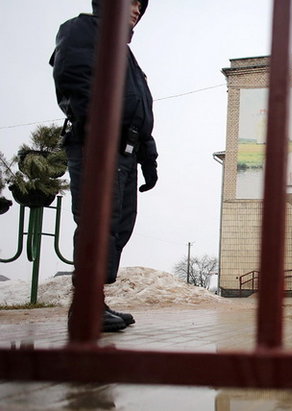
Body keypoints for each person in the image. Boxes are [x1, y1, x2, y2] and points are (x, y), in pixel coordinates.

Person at [50, 0, 158, 332]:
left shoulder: (125, 54)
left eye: (141, 5)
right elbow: (73, 79)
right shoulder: (83, 30)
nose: (137, 9)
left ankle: (95, 303)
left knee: (116, 227)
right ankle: (84, 309)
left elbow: (139, 111)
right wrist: (100, 128)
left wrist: (148, 158)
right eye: (131, 1)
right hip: (97, 145)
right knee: (97, 226)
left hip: (125, 151)